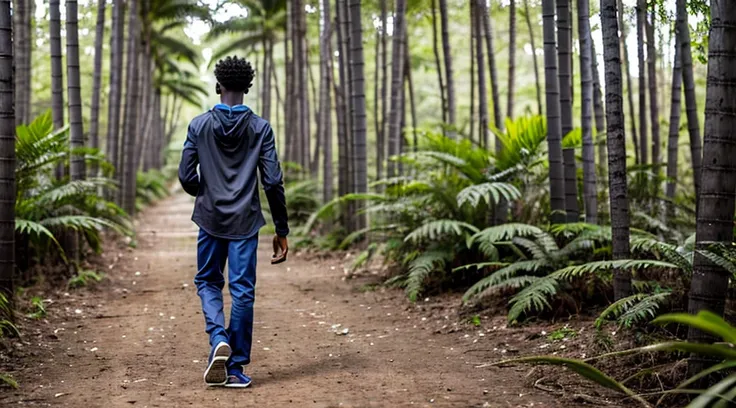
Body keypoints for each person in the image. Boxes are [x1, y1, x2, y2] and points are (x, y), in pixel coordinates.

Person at [178, 56, 289, 388]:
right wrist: (281, 229)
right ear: (247, 88)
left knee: (209, 282)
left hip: (210, 218)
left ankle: (218, 339)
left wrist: (206, 191)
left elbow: (186, 175)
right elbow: (272, 182)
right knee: (243, 291)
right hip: (245, 221)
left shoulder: (199, 125)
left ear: (218, 85)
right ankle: (236, 367)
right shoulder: (260, 128)